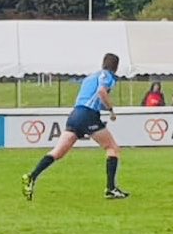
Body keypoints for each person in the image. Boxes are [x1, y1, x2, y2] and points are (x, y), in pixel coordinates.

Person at [22, 53, 128, 201]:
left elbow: (87, 98)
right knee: (112, 148)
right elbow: (101, 92)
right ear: (115, 66)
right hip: (88, 114)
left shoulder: (89, 78)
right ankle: (110, 189)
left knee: (58, 152)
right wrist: (111, 110)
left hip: (75, 114)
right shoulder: (107, 76)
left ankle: (31, 176)